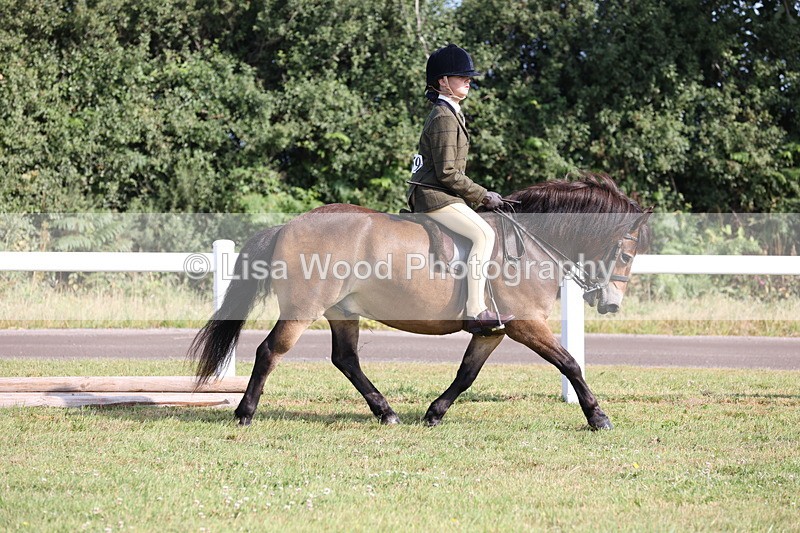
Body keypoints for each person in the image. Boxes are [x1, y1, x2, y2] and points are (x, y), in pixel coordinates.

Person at [407, 43, 514, 334]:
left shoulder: (451, 112)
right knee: (484, 234)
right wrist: (483, 195)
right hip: (434, 195)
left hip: (443, 193)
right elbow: (447, 172)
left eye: (468, 77)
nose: (468, 81)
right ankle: (475, 310)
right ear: (443, 81)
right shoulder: (443, 116)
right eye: (461, 76)